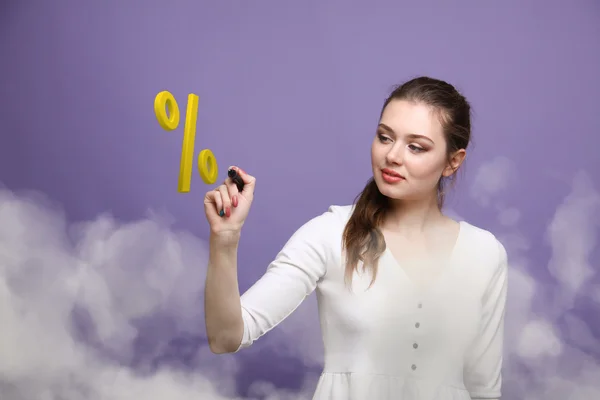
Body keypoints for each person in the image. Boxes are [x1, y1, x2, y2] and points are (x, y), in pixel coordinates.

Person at [203, 76, 508, 400]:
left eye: (416, 146)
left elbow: (484, 389)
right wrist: (225, 239)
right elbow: (226, 337)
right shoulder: (331, 233)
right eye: (384, 137)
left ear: (452, 161)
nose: (392, 155)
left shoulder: (485, 253)